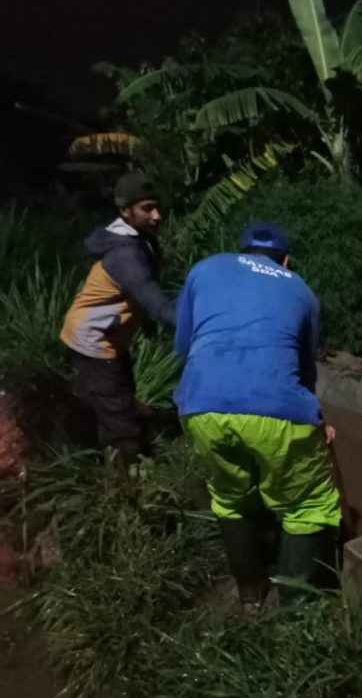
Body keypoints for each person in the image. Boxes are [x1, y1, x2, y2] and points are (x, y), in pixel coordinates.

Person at [174, 222, 341, 606]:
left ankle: (249, 595)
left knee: (231, 497)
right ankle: (293, 614)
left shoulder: (205, 268)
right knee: (308, 504)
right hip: (278, 409)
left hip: (201, 405)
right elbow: (303, 371)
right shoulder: (301, 289)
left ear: (242, 251)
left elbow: (184, 346)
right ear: (286, 260)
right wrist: (315, 422)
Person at [60, 172, 176, 462]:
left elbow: (140, 294)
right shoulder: (125, 253)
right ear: (125, 211)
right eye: (147, 208)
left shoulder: (139, 239)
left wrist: (145, 324)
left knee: (119, 394)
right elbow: (156, 302)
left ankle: (92, 438)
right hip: (94, 339)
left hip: (110, 336)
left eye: (157, 207)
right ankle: (125, 477)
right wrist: (206, 326)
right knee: (119, 415)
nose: (157, 215)